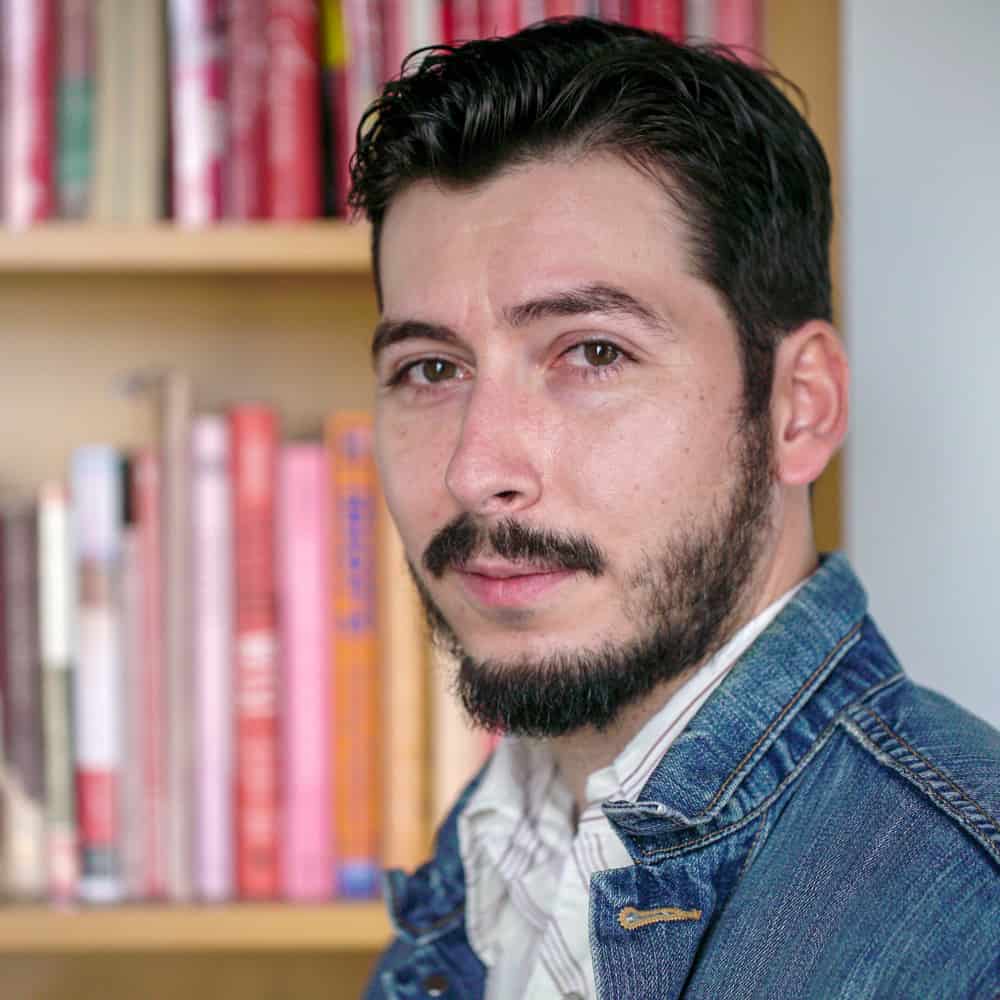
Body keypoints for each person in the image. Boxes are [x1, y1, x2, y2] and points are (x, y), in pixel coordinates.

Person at [350, 17, 1000, 1000]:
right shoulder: (493, 855)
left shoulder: (975, 918)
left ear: (799, 406)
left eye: (593, 352)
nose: (476, 470)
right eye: (431, 369)